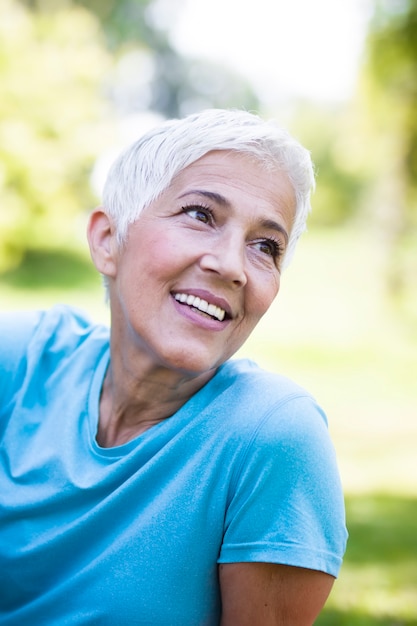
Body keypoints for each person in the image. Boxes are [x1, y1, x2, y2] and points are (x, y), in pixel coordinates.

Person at [0, 108, 347, 625]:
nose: (230, 265)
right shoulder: (22, 361)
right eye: (200, 215)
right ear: (107, 239)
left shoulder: (273, 437)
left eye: (265, 246)